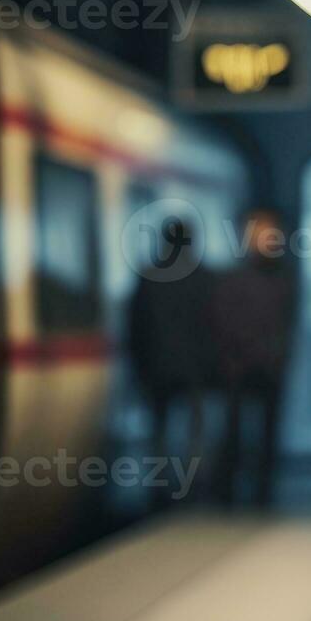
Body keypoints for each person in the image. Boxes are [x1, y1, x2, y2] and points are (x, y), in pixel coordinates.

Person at [212, 207, 298, 507]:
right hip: (239, 367)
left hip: (270, 366)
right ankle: (227, 493)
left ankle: (262, 494)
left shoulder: (283, 279)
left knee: (267, 436)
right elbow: (223, 323)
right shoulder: (233, 279)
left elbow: (287, 323)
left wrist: (279, 356)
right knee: (233, 433)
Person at [126, 216, 215, 506]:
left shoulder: (149, 275)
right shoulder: (205, 278)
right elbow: (214, 328)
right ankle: (195, 485)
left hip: (157, 367)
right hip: (196, 369)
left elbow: (135, 328)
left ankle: (160, 488)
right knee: (196, 431)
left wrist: (138, 369)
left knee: (159, 431)